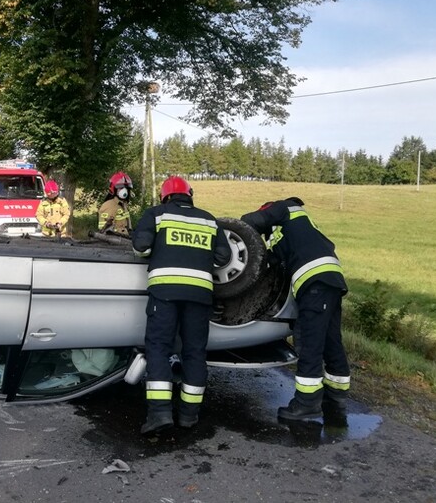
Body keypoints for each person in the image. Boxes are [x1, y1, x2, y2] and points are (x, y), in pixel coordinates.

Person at [132, 176, 231, 434]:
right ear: (190, 195)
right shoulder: (209, 219)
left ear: (165, 196)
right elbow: (224, 258)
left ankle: (159, 414)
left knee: (159, 348)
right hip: (200, 296)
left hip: (164, 293)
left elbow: (140, 247)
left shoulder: (156, 214)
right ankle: (189, 415)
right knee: (195, 352)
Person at [240, 197, 349, 422]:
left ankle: (306, 404)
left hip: (315, 284)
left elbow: (249, 221)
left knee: (310, 342)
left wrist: (237, 231)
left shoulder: (284, 208)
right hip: (330, 280)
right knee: (331, 340)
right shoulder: (292, 233)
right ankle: (336, 395)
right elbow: (273, 262)